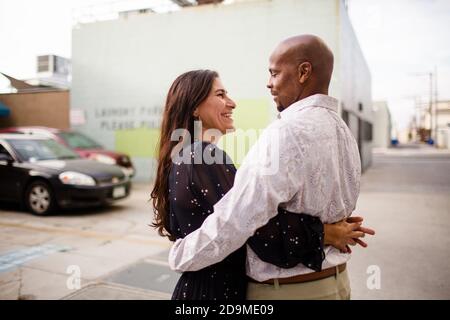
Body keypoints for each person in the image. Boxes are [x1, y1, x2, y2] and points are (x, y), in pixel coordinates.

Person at [168, 35, 375, 300]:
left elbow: (240, 219)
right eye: (221, 94)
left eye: (274, 73)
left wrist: (180, 256)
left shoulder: (286, 132)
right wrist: (326, 232)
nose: (269, 83)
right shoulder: (344, 131)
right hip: (338, 283)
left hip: (290, 291)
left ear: (303, 72)